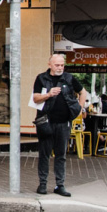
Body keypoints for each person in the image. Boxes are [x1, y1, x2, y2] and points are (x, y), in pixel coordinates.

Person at [32, 54, 87, 197]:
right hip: (46, 122)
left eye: (62, 65)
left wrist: (79, 109)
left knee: (61, 155)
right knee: (44, 154)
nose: (60, 68)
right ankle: (42, 184)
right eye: (57, 65)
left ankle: (60, 185)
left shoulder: (69, 78)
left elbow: (83, 92)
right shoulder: (41, 78)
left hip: (64, 123)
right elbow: (35, 98)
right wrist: (49, 94)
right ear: (49, 64)